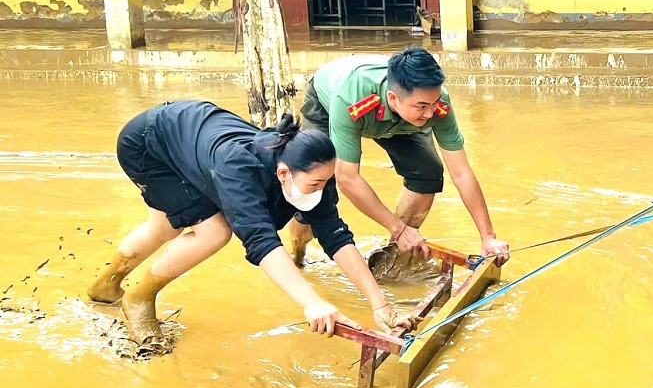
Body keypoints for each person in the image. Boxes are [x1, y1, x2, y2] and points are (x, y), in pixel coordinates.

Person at [87, 101, 414, 350]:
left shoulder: (313, 171)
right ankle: (139, 298)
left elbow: (336, 236)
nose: (323, 189)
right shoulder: (238, 169)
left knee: (166, 227)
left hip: (188, 135)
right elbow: (261, 243)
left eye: (326, 182)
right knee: (214, 231)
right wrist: (311, 302)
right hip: (148, 143)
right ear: (284, 173)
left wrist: (380, 304)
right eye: (316, 184)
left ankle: (105, 286)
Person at [283, 48, 509, 280]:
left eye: (434, 103)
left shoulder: (434, 105)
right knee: (316, 191)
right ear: (393, 98)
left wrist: (488, 236)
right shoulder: (351, 98)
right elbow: (347, 178)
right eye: (422, 106)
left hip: (400, 119)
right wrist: (398, 227)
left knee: (428, 172)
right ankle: (298, 257)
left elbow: (461, 172)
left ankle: (390, 258)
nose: (431, 114)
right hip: (329, 106)